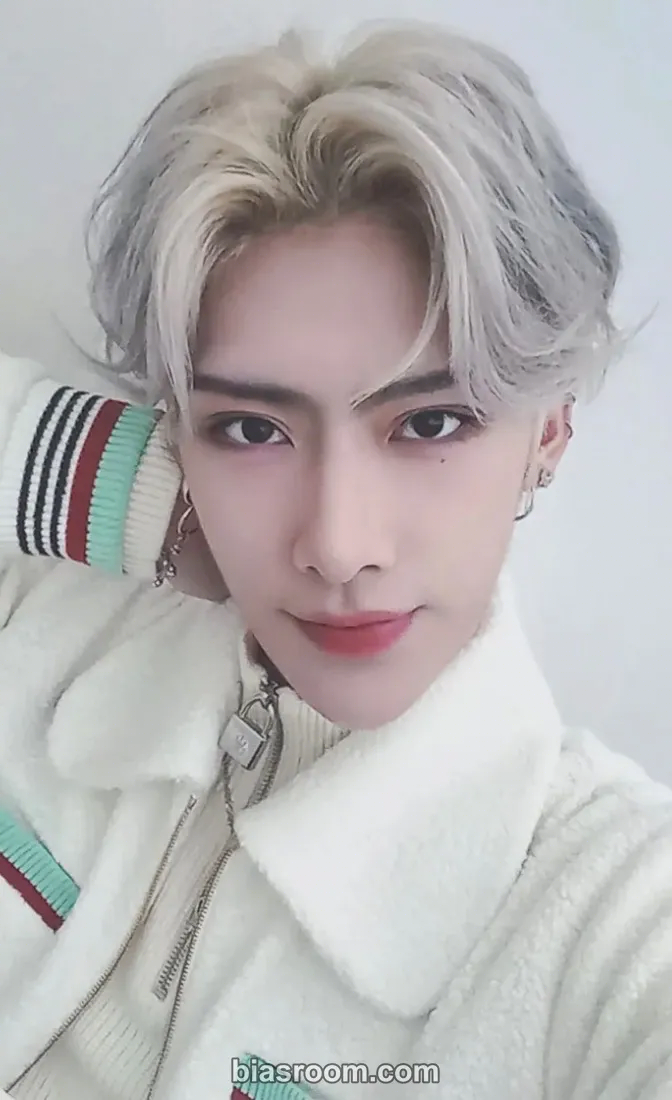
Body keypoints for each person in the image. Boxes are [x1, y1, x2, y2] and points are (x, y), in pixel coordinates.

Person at [0, 18, 670, 1100]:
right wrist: (146, 506)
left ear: (549, 429)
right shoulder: (47, 616)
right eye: (251, 428)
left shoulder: (601, 910)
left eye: (432, 422)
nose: (337, 545)